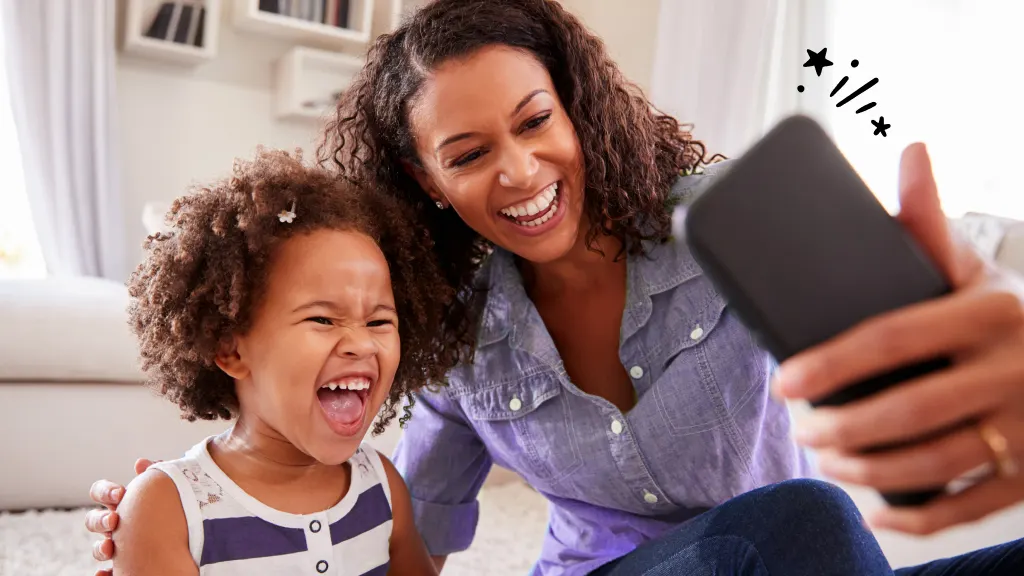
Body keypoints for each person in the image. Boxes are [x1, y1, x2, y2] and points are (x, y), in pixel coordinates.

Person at [87, 0, 1024, 574]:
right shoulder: (455, 332)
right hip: (633, 571)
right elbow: (409, 534)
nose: (522, 170)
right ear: (428, 184)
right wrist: (188, 517)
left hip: (804, 562)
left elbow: (918, 370)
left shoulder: (723, 226)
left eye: (537, 122)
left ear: (576, 110)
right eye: (469, 153)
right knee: (802, 518)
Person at [102, 148, 456, 575]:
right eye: (323, 318)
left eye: (380, 320)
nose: (361, 344)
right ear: (231, 349)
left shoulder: (382, 486)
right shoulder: (169, 510)